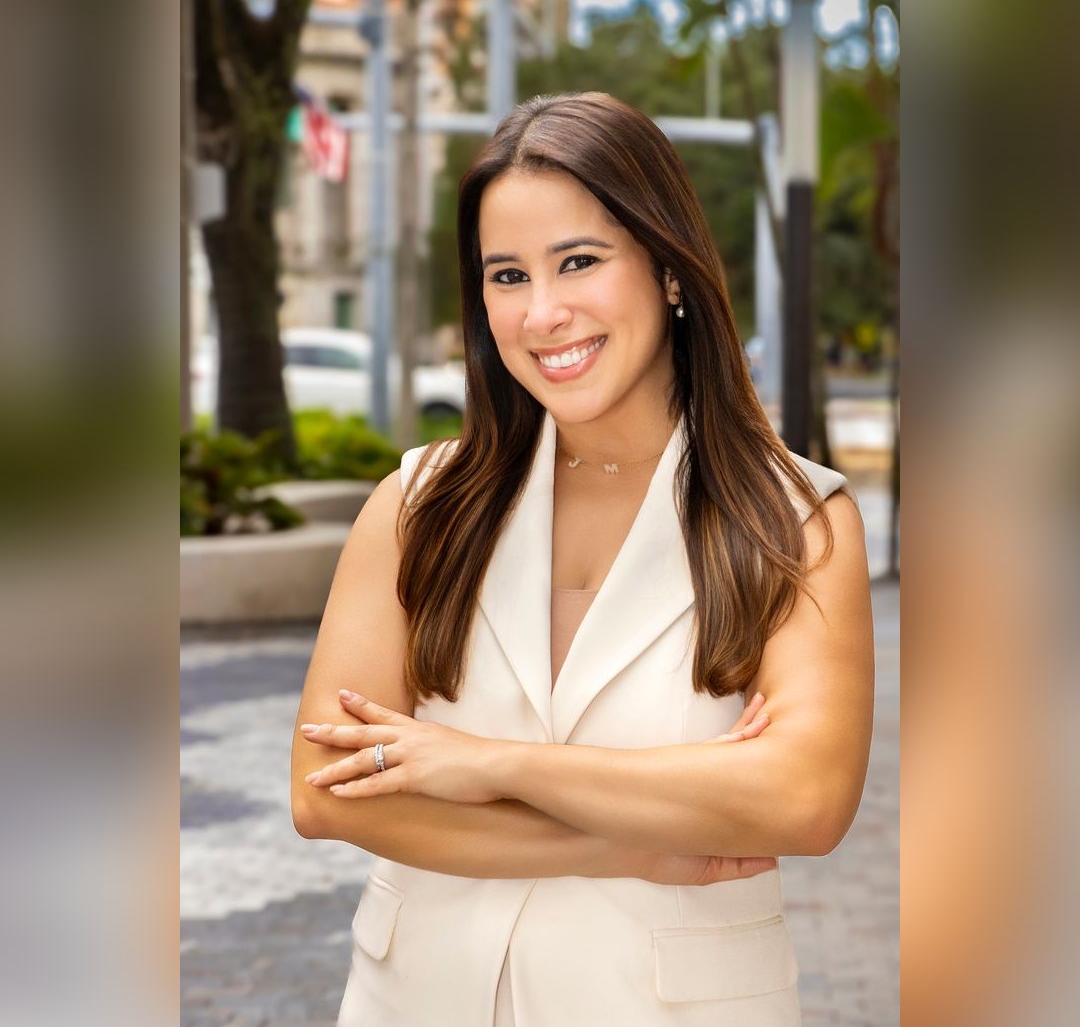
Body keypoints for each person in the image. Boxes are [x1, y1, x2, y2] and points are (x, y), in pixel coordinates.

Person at [291, 91, 875, 1026]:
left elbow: (802, 798)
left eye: (579, 262)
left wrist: (483, 764)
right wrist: (621, 843)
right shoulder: (418, 504)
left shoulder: (794, 520)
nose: (544, 312)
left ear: (669, 269)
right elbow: (326, 794)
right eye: (507, 275)